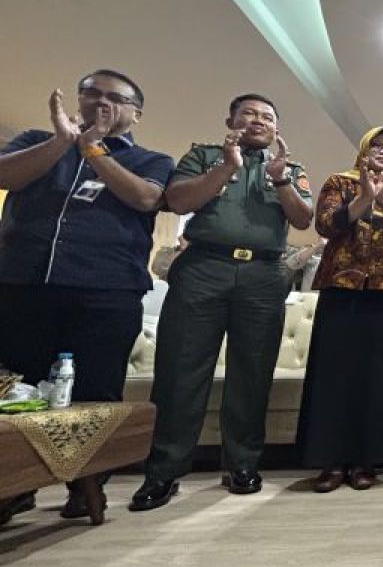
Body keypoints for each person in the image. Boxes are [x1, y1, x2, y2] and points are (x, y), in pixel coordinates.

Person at [0, 70, 173, 524]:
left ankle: (86, 485)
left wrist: (93, 149)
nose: (100, 103)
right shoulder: (37, 140)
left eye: (114, 98)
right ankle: (16, 485)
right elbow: (6, 176)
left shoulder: (151, 159)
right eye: (91, 93)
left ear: (134, 113)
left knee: (97, 392)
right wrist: (63, 141)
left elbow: (144, 199)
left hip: (107, 288)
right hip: (23, 285)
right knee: (17, 390)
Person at [131, 94, 313, 511]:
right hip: (203, 267)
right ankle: (163, 472)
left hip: (264, 275)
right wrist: (227, 166)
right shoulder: (203, 155)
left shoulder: (291, 167)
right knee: (180, 371)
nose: (258, 121)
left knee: (252, 373)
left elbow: (303, 220)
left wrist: (281, 178)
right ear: (230, 119)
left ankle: (242, 465)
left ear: (276, 128)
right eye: (249, 113)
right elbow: (178, 202)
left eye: (268, 116)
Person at [296, 126, 383, 492]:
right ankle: (331, 463)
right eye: (377, 146)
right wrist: (363, 198)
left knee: (378, 380)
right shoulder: (340, 182)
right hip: (342, 289)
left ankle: (368, 461)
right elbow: (325, 224)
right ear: (364, 152)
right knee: (334, 376)